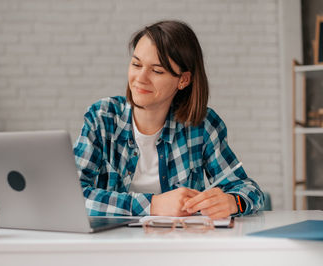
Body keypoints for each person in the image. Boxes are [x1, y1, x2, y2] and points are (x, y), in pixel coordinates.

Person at [74, 20, 264, 220]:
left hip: (179, 244)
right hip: (113, 246)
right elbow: (72, 196)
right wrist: (153, 205)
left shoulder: (202, 125)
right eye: (136, 64)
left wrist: (233, 201)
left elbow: (249, 190)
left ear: (183, 80)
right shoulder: (102, 117)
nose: (140, 78)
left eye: (157, 71)